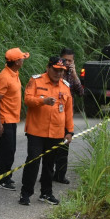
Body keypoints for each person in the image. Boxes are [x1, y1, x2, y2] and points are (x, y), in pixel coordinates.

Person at [19, 55, 73, 206]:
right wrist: (43, 101)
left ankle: (46, 193)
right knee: (33, 162)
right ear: (48, 68)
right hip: (36, 131)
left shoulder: (65, 86)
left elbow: (68, 111)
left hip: (56, 132)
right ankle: (25, 193)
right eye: (55, 70)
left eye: (62, 71)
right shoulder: (36, 81)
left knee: (50, 165)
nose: (59, 73)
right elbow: (27, 100)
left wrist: (69, 132)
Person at [0, 47, 29, 190]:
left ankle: (6, 176)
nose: (23, 60)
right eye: (22, 58)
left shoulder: (14, 73)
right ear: (16, 62)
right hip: (4, 119)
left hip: (12, 119)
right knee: (7, 150)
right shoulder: (4, 76)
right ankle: (2, 178)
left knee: (10, 150)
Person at [52, 47, 84, 185]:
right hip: (54, 114)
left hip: (66, 115)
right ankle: (48, 173)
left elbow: (81, 92)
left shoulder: (71, 75)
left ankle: (60, 174)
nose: (67, 63)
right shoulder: (54, 72)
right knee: (51, 148)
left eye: (70, 61)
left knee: (64, 147)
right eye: (65, 60)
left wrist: (75, 73)